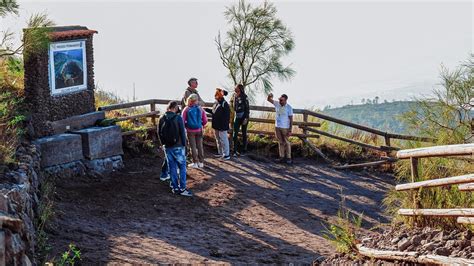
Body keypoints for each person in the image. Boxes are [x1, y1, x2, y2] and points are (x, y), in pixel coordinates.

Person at [158, 101, 192, 196]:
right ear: (175, 108)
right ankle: (182, 188)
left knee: (172, 167)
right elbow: (182, 133)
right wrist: (185, 146)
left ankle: (175, 187)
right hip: (178, 146)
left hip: (167, 147)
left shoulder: (161, 118)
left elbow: (158, 132)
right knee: (182, 167)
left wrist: (163, 143)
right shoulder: (178, 118)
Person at [182, 94, 208, 168]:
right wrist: (201, 124)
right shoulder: (200, 109)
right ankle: (201, 162)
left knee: (193, 147)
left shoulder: (186, 109)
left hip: (190, 130)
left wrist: (186, 126)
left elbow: (182, 121)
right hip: (199, 130)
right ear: (196, 100)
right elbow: (205, 121)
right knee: (200, 146)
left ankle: (195, 163)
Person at [267, 93, 294, 164]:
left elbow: (291, 119)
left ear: (285, 100)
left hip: (285, 127)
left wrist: (290, 129)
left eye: (281, 100)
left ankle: (288, 158)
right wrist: (270, 96)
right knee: (280, 142)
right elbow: (269, 100)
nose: (280, 101)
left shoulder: (289, 108)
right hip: (277, 126)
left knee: (287, 142)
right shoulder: (277, 104)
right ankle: (281, 157)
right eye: (279, 99)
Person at [205, 88, 231, 160]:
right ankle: (220, 153)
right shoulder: (216, 103)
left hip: (222, 125)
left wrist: (224, 126)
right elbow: (214, 112)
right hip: (216, 125)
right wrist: (206, 109)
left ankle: (227, 154)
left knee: (224, 140)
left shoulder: (224, 104)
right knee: (218, 139)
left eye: (216, 95)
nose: (215, 96)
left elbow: (227, 116)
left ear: (220, 95)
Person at [230, 84, 250, 156]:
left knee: (244, 133)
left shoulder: (244, 96)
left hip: (244, 116)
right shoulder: (234, 96)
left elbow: (247, 108)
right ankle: (234, 150)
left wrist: (246, 118)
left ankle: (244, 149)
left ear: (240, 88)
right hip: (237, 116)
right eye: (235, 87)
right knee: (235, 133)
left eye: (236, 87)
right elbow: (231, 103)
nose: (235, 88)